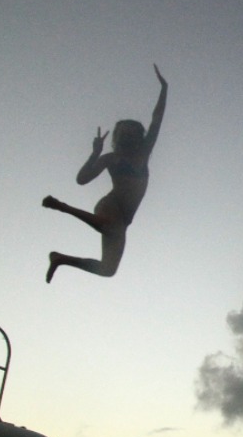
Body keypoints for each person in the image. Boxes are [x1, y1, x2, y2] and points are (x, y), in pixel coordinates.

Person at [44, 65, 168, 281]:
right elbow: (82, 179)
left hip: (124, 218)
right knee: (109, 226)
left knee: (108, 269)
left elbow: (156, 119)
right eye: (123, 134)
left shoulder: (144, 152)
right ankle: (61, 206)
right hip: (111, 205)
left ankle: (59, 258)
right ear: (118, 138)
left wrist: (164, 89)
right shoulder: (111, 158)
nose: (128, 138)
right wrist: (95, 154)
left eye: (132, 134)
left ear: (139, 137)